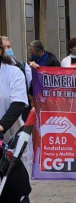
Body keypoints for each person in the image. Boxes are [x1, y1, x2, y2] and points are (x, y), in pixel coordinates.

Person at [0, 38, 32, 203]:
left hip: (11, 140)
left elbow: (18, 103)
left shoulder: (13, 73)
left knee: (15, 190)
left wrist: (1, 127)